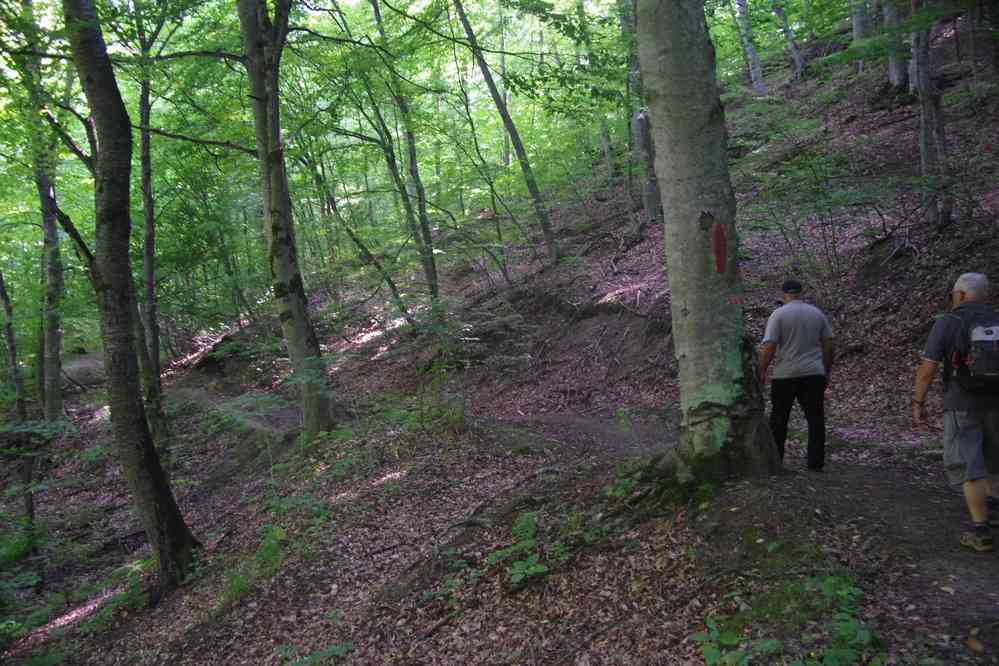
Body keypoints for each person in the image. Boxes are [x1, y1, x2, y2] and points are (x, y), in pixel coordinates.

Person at [913, 272, 999, 552]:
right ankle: (994, 509)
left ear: (960, 295)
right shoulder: (995, 318)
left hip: (961, 401)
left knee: (969, 463)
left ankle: (981, 531)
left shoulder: (949, 321)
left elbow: (928, 369)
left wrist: (918, 403)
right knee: (994, 458)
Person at [759, 279, 835, 471]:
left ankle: (776, 461)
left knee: (779, 418)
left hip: (785, 374)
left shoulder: (778, 315)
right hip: (813, 373)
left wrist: (761, 370)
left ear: (783, 294)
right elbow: (829, 343)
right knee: (815, 418)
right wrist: (825, 369)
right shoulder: (816, 313)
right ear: (801, 292)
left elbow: (769, 346)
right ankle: (815, 463)